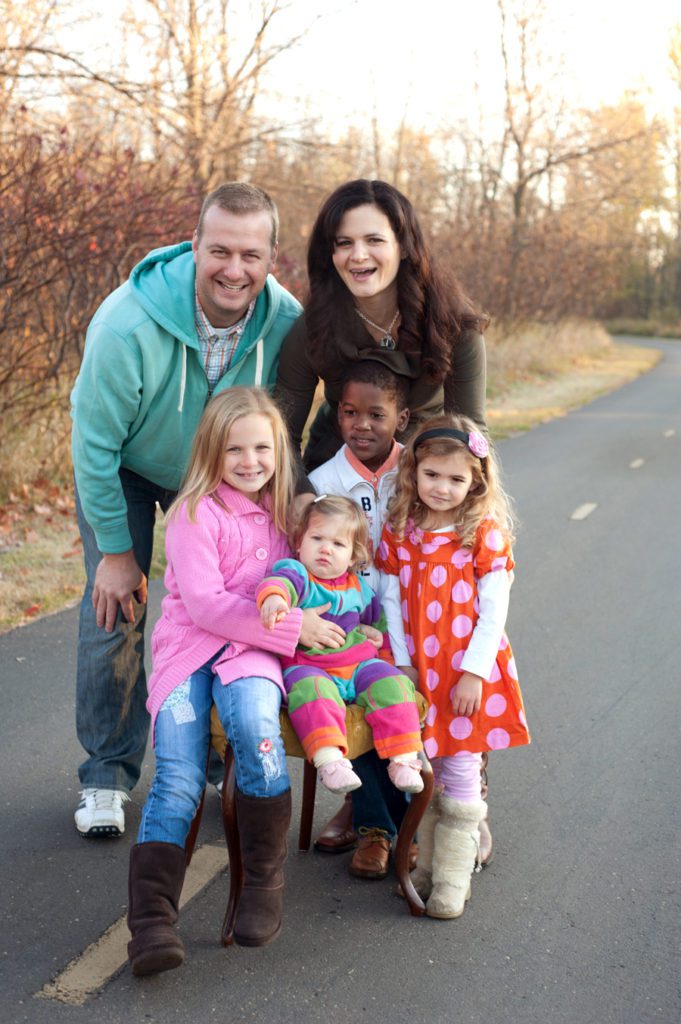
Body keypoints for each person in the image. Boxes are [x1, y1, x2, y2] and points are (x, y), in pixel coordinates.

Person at [273, 178, 490, 878]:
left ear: (404, 245)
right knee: (352, 640)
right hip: (340, 487)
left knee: (435, 643)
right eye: (343, 242)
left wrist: (466, 527)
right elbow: (281, 427)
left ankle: (461, 792)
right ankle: (366, 797)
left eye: (374, 239)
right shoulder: (315, 327)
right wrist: (299, 500)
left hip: (427, 496)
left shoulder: (453, 326)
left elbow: (474, 438)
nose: (358, 255)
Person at [70, 182, 302, 838]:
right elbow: (93, 445)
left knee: (227, 600)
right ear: (194, 244)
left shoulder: (285, 322)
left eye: (251, 255)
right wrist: (117, 553)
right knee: (117, 608)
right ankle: (106, 775)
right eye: (220, 250)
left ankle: (210, 754)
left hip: (218, 471)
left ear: (271, 257)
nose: (235, 269)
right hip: (128, 466)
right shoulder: (126, 323)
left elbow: (278, 430)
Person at [127, 387, 342, 975]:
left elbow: (319, 566)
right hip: (188, 651)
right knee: (178, 773)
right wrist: (295, 628)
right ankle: (151, 922)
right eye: (234, 450)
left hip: (251, 654)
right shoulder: (195, 513)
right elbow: (205, 605)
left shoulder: (287, 515)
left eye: (262, 449)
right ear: (211, 452)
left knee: (255, 729)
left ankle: (263, 885)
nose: (250, 462)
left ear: (279, 451)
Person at [375, 414, 530, 919]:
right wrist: (402, 663)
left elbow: (494, 611)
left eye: (456, 478)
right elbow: (390, 600)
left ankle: (453, 880)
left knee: (460, 770)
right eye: (432, 475)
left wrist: (474, 673)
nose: (442, 488)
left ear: (476, 481)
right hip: (419, 669)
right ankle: (426, 868)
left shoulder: (482, 533)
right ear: (414, 471)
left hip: (464, 673)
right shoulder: (401, 530)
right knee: (428, 770)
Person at [256, 494, 423, 796]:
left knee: (394, 683)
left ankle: (403, 758)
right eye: (317, 538)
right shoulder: (299, 574)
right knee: (312, 692)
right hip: (310, 665)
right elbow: (280, 583)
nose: (326, 549)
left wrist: (377, 642)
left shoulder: (360, 589)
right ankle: (330, 760)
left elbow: (378, 626)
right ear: (299, 542)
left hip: (358, 665)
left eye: (338, 544)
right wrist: (275, 599)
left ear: (353, 556)